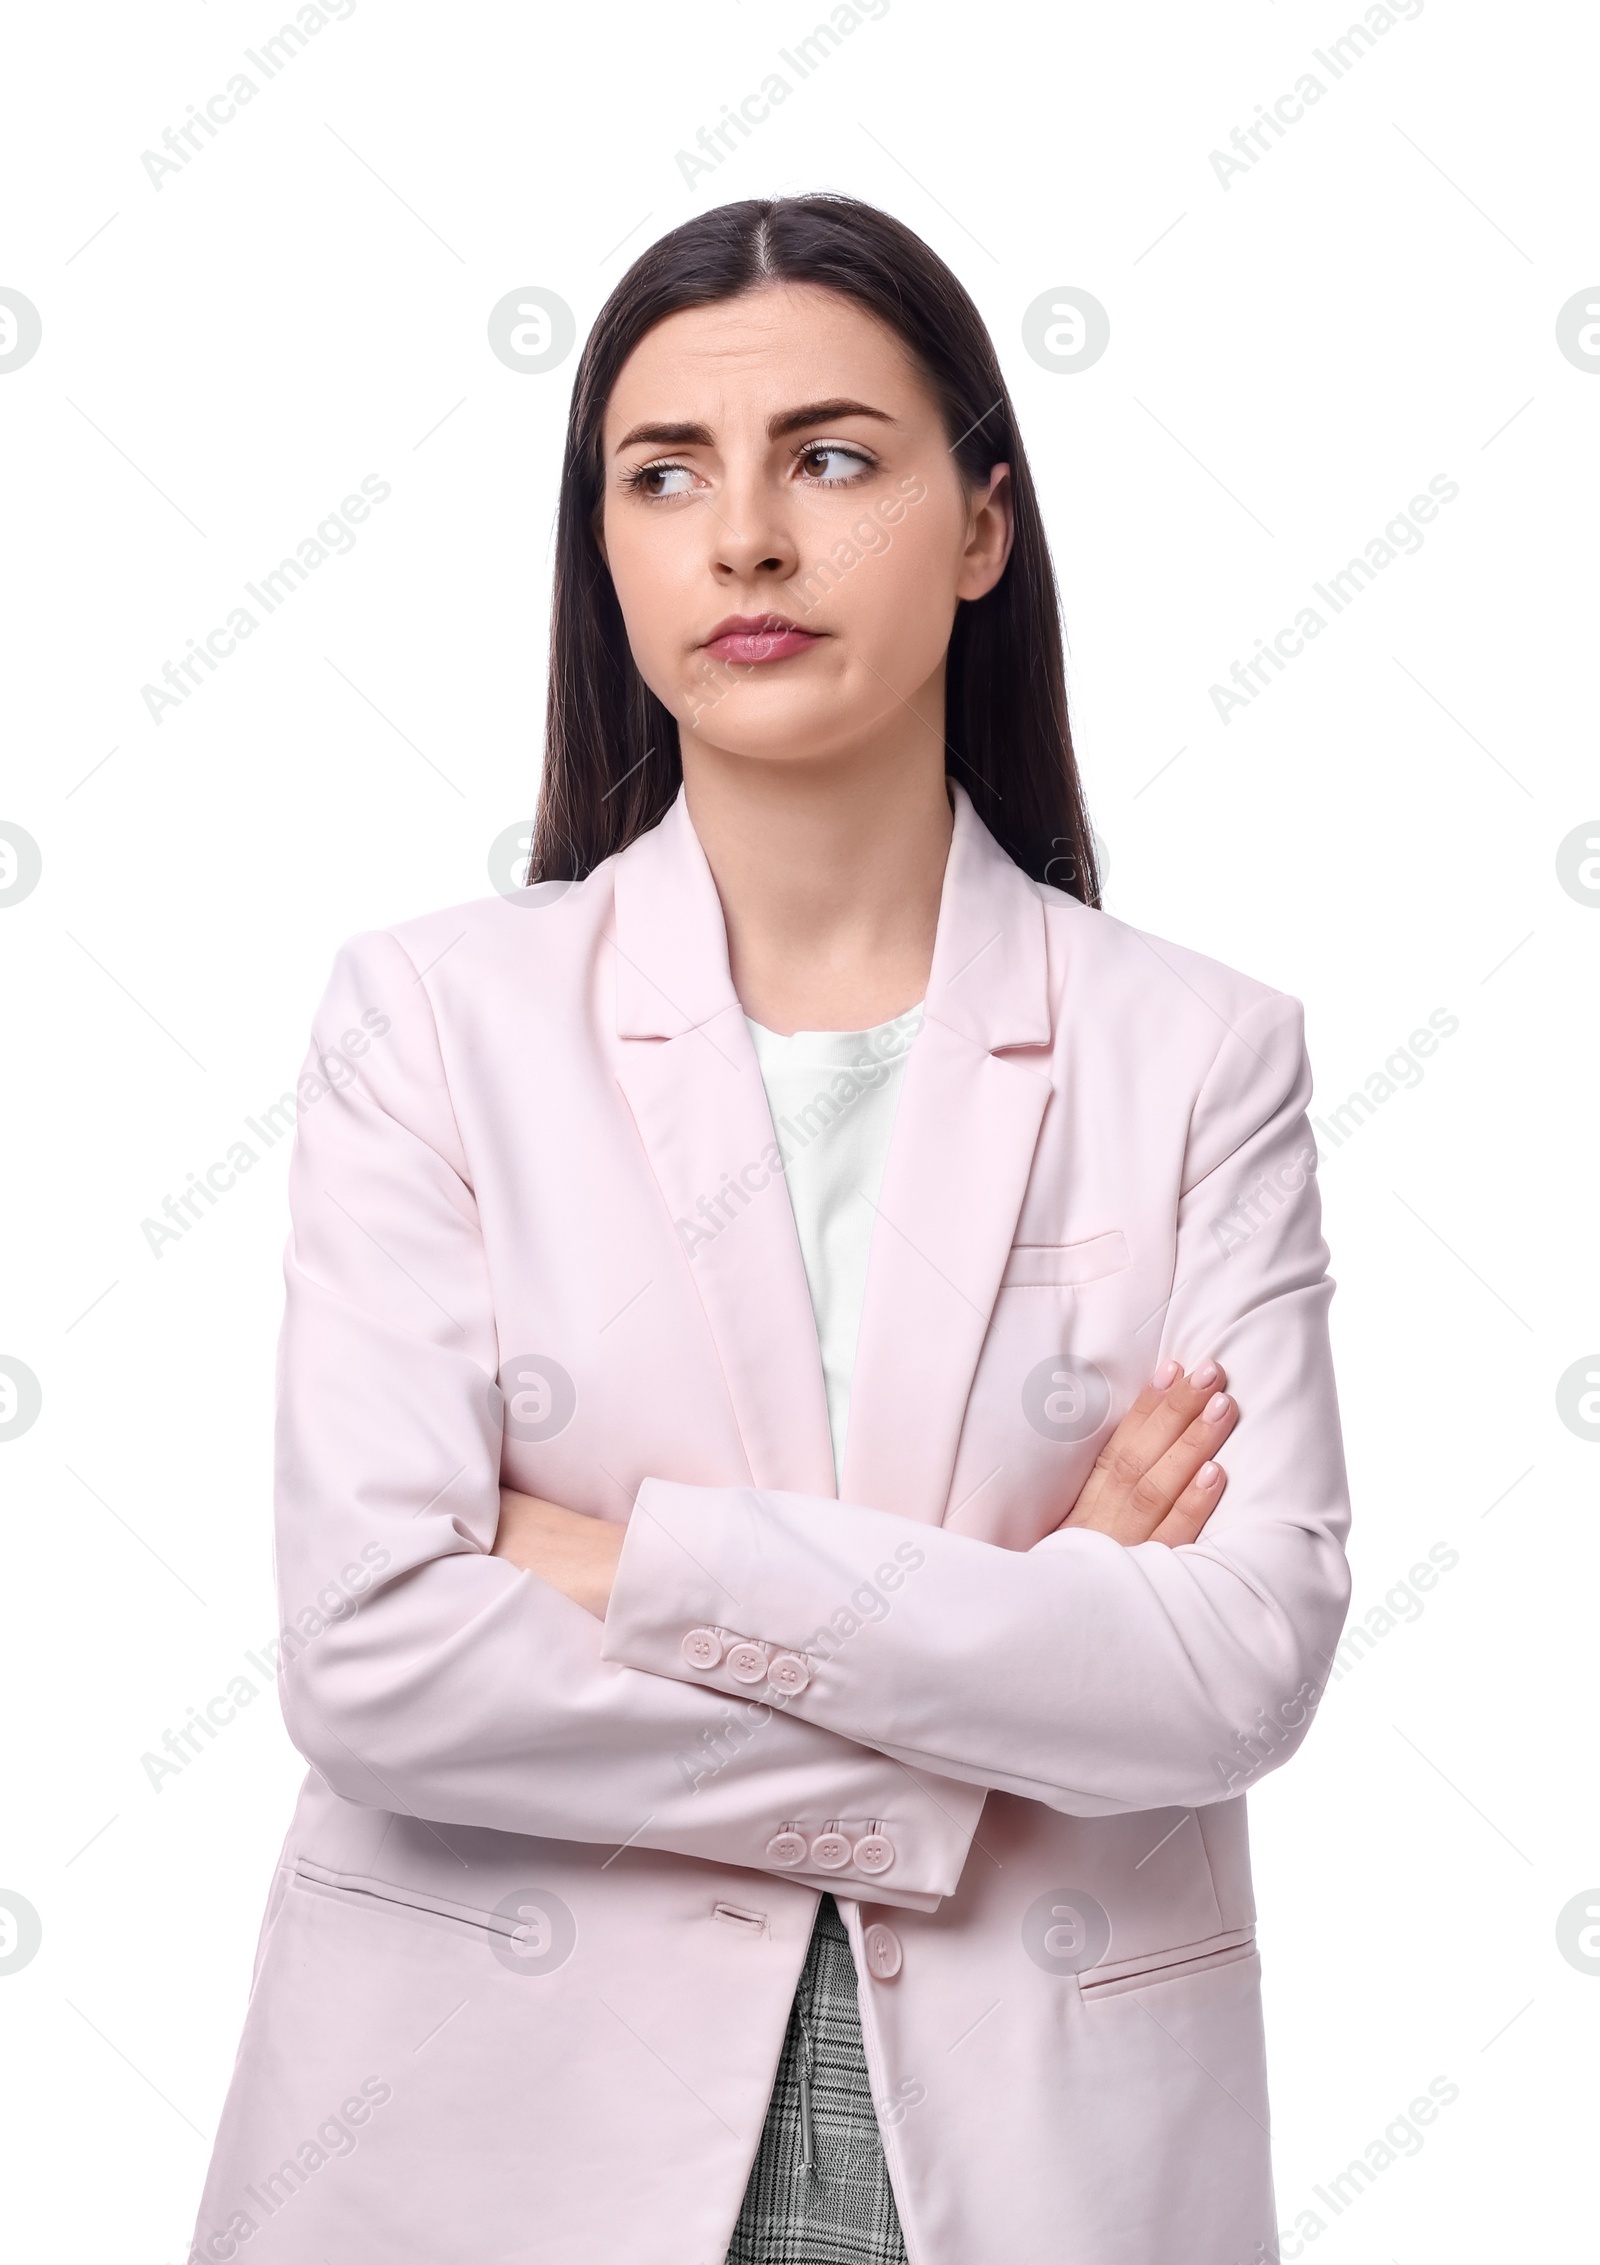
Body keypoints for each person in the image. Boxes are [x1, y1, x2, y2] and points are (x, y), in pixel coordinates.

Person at [188, 194, 1351, 2265]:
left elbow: (1233, 1665)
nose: (741, 537)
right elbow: (373, 1659)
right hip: (485, 2127)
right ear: (608, 544)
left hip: (1036, 2135)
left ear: (980, 522)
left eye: (829, 456)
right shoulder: (431, 1020)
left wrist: (632, 1562)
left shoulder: (1194, 1053)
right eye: (664, 474)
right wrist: (1015, 1665)